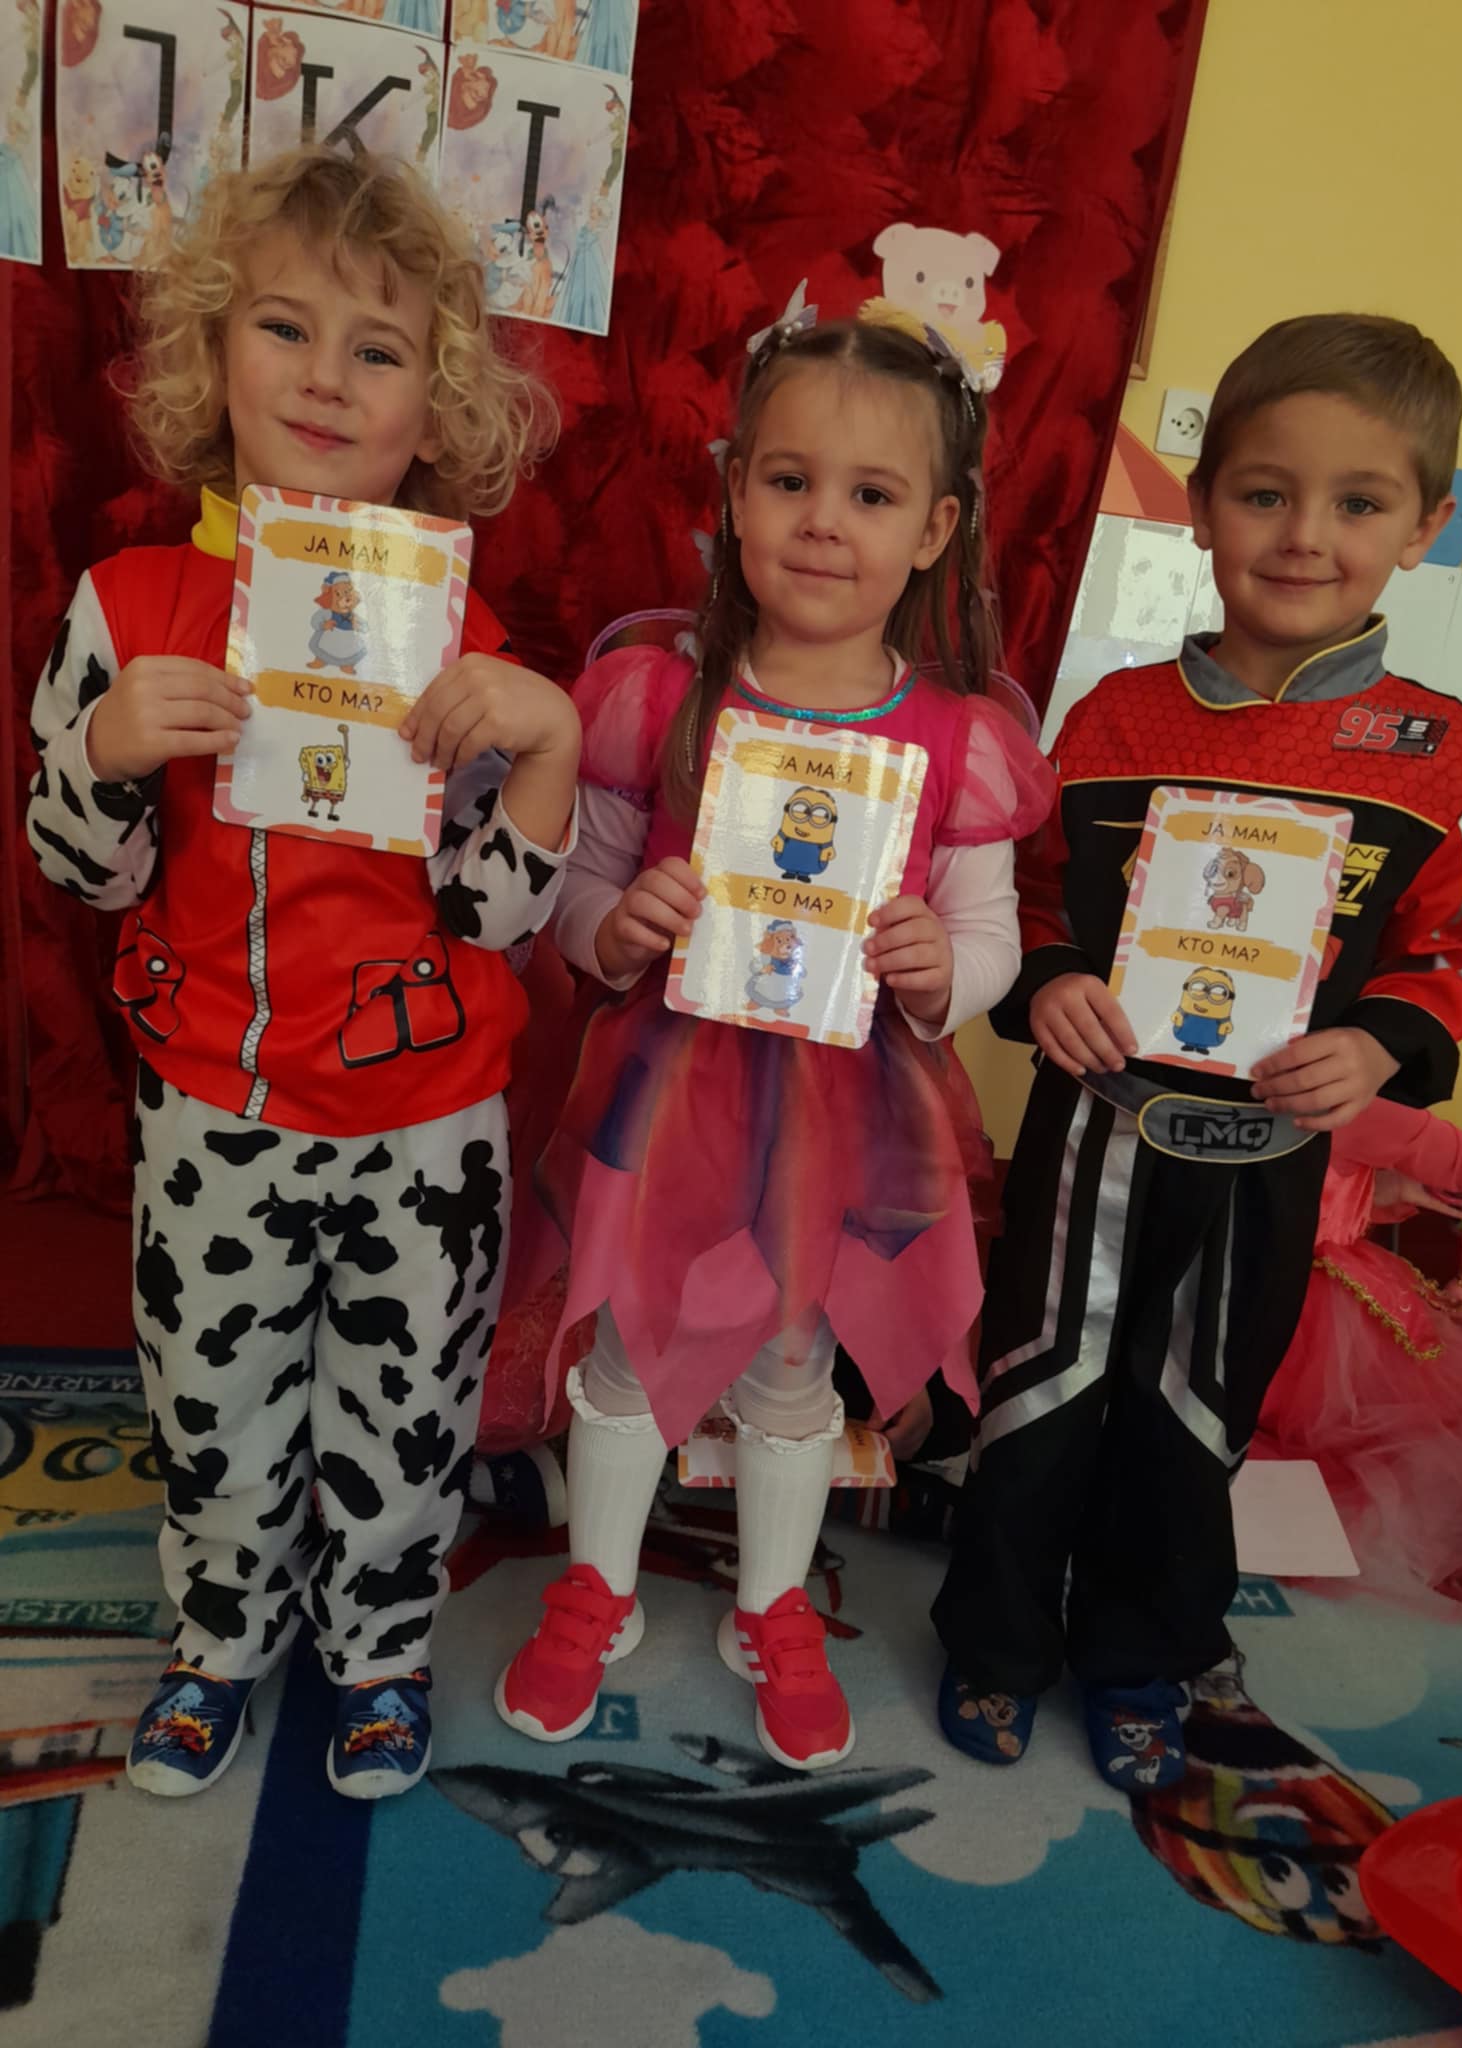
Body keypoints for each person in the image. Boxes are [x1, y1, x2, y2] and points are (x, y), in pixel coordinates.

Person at [25, 147, 576, 1801]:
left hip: (425, 1125)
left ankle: (381, 1645)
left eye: (378, 348)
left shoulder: (462, 631)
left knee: (404, 1408)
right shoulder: (130, 604)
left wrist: (547, 750)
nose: (327, 377)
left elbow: (492, 916)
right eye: (285, 327)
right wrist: (109, 748)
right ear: (211, 355)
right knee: (214, 1398)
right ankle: (219, 1637)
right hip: (216, 1107)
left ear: (436, 407)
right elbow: (84, 871)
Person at [932, 313, 1462, 1784]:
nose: (1306, 535)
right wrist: (1048, 981)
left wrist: (1377, 1046)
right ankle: (995, 1641)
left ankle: (1142, 1653)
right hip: (1095, 1129)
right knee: (1038, 1386)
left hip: (1271, 1151)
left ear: (1426, 526)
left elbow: (1457, 955)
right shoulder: (1114, 716)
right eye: (1264, 492)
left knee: (1194, 1416)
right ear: (1201, 505)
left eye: (1359, 502)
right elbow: (1031, 901)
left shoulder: (1438, 749)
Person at [495, 309, 1054, 1770]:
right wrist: (617, 928)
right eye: (790, 480)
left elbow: (990, 936)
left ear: (934, 531)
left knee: (795, 1358)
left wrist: (943, 970)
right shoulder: (655, 695)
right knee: (632, 1336)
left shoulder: (959, 740)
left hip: (848, 1108)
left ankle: (772, 1603)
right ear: (735, 490)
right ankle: (597, 1584)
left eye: (871, 495)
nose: (822, 522)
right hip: (670, 1088)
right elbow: (576, 889)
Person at [1258, 1097, 1462, 1605]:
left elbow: (1315, 1188)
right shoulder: (1355, 1100)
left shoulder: (1301, 1097)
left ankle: (1278, 1529)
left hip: (1266, 1269)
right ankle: (1291, 1532)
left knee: (1283, 1423)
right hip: (1314, 1290)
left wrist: (1380, 1190)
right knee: (1340, 1428)